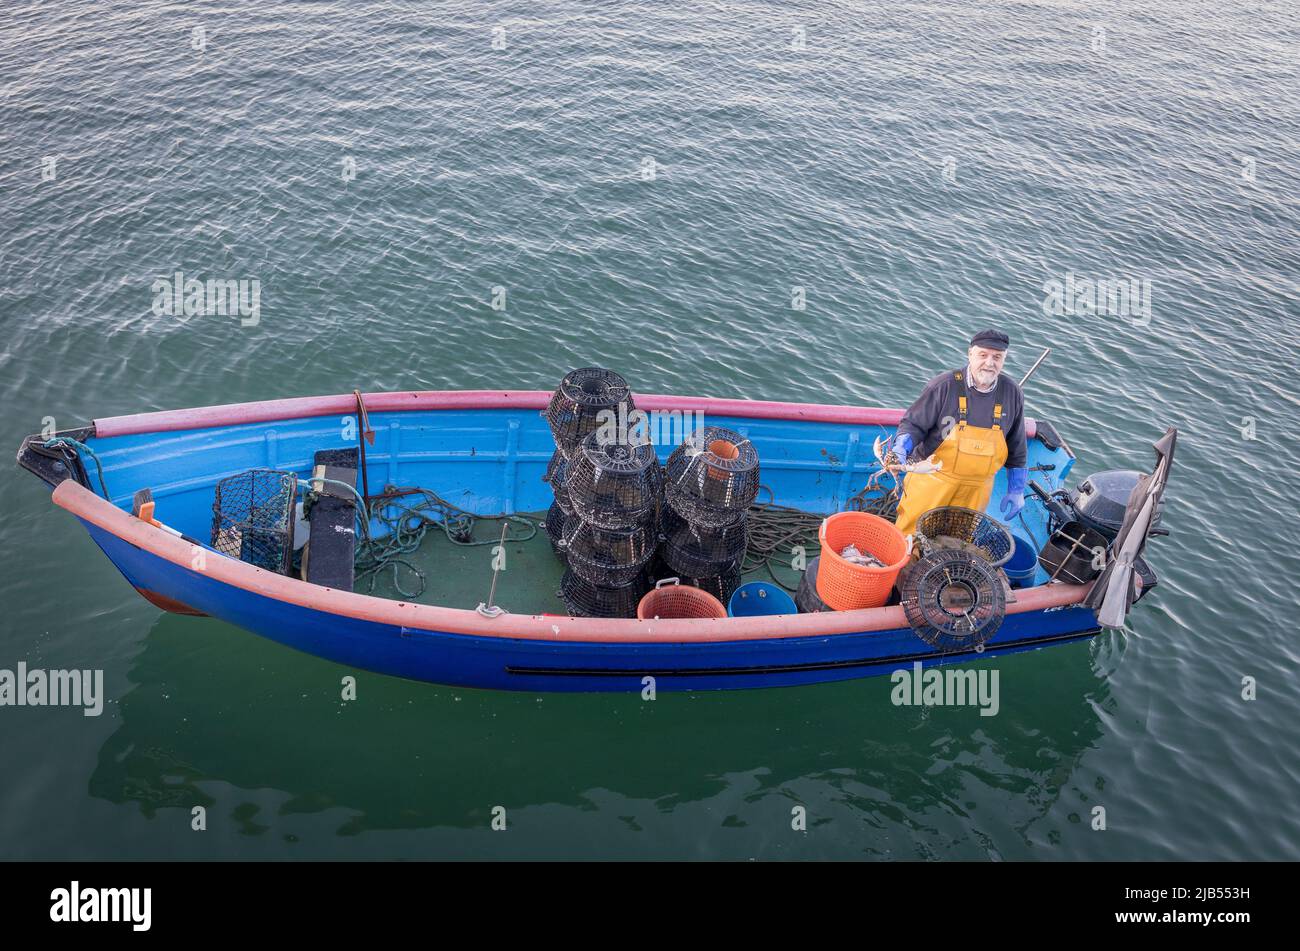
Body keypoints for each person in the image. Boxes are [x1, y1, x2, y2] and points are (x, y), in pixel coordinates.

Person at [889, 329, 1028, 536]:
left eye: (997, 357)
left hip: (976, 491)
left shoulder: (1012, 392)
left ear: (1003, 360)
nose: (990, 363)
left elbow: (1017, 447)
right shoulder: (944, 385)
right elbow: (913, 425)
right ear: (970, 354)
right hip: (932, 480)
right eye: (983, 355)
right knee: (911, 536)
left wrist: (1016, 490)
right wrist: (902, 447)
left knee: (956, 542)